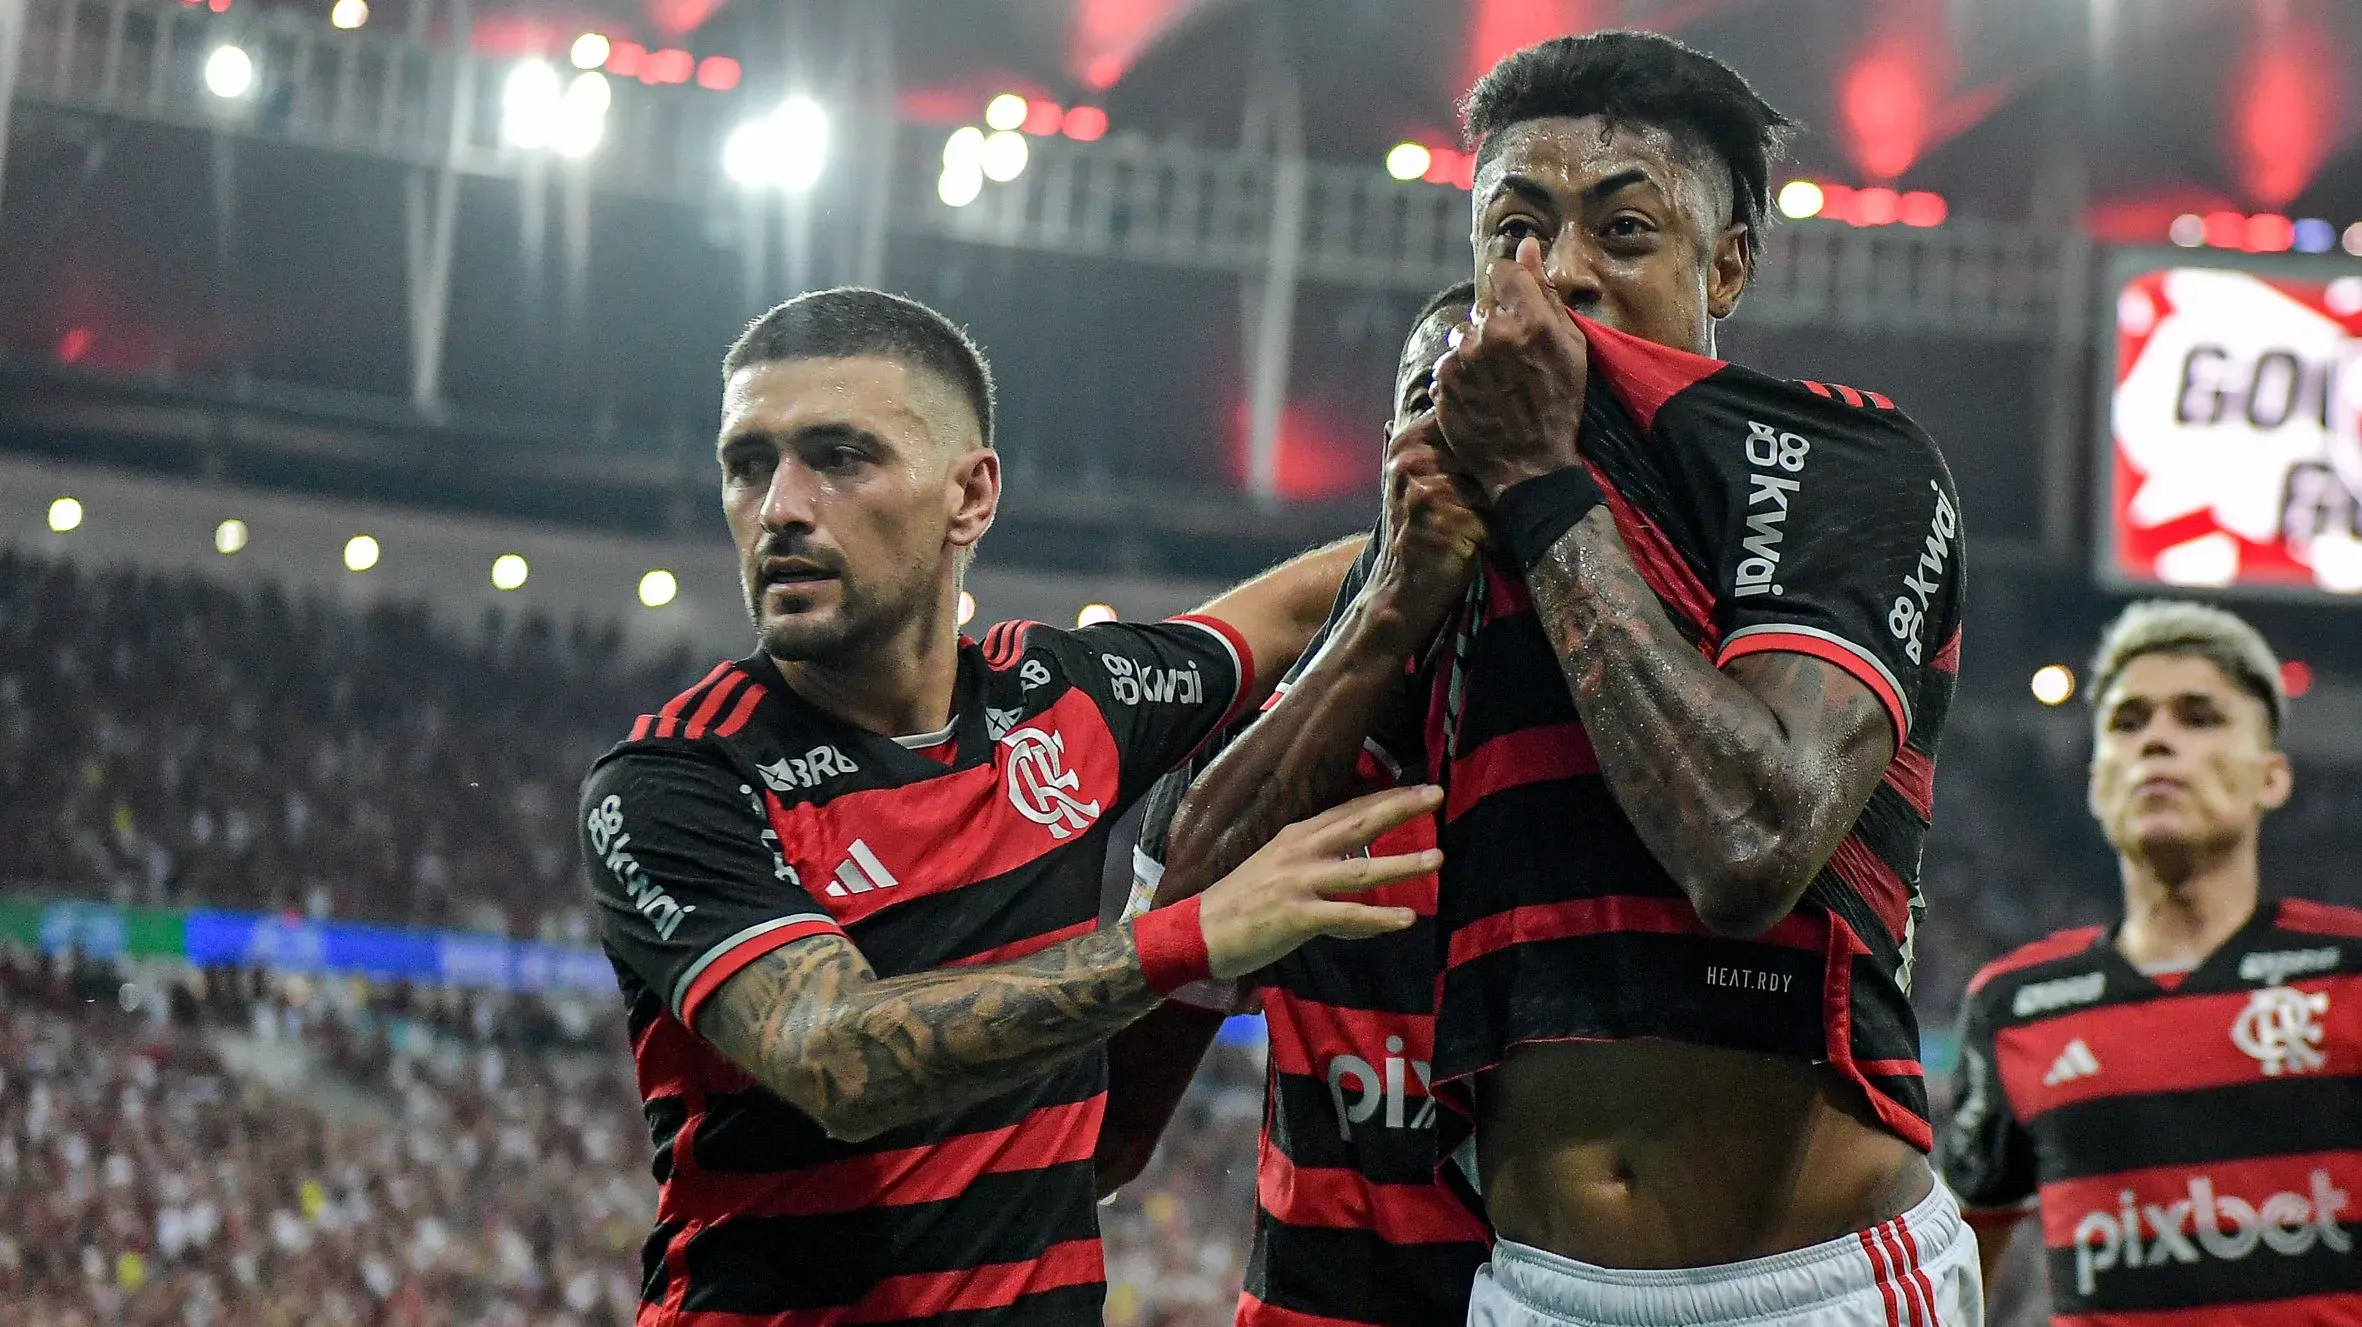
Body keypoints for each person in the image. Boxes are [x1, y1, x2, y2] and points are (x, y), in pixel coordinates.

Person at [1159, 31, 1974, 1326]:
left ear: (1728, 263)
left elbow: (1747, 843)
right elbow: (1185, 922)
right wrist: (1394, 591)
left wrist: (1544, 484)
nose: (1564, 274)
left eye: (1625, 229)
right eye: (1517, 230)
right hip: (1532, 1287)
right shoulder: (1444, 537)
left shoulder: (1839, 461)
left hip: (1804, 1279)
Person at [578, 286, 1451, 1326]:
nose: (781, 507)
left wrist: (1471, 509)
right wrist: (1187, 937)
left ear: (971, 495)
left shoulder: (1064, 699)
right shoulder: (677, 782)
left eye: (839, 457)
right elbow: (840, 1056)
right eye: (748, 464)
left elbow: (1310, 599)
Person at [1105, 282, 1496, 1327]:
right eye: (1432, 404)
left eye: (1506, 415)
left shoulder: (1651, 733)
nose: (1463, 450)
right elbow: (1110, 1134)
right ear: (1384, 449)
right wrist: (1389, 605)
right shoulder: (1249, 746)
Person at [1944, 601, 2362, 1325]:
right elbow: (1955, 1280)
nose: (2158, 741)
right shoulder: (2014, 1005)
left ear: (2272, 776)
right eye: (2128, 722)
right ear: (2097, 781)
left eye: (2199, 717)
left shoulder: (2350, 971)